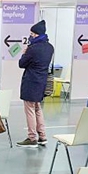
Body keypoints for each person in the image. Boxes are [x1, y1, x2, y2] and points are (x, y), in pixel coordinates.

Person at [17, 19, 54, 147]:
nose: (30, 36)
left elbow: (22, 64)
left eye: (32, 34)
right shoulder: (50, 48)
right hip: (42, 82)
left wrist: (24, 53)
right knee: (38, 109)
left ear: (36, 34)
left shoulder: (32, 49)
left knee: (30, 110)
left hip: (31, 82)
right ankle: (42, 136)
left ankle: (32, 137)